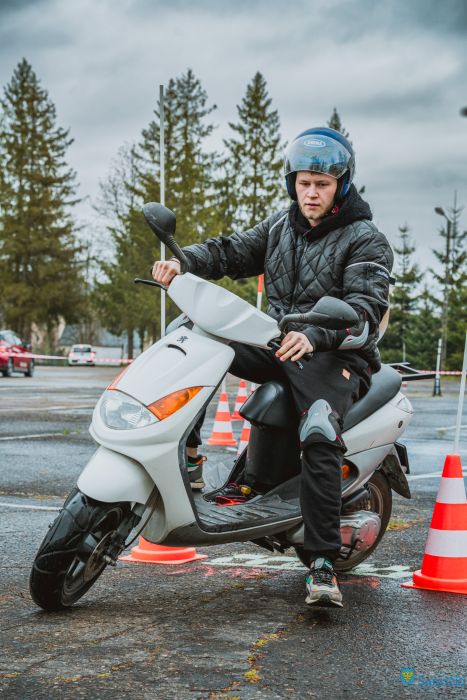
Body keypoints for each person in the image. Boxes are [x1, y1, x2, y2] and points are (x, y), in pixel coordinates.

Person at [152, 127, 393, 608]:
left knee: (320, 427)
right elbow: (229, 251)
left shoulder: (366, 239)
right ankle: (190, 458)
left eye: (322, 184)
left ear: (341, 185)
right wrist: (184, 263)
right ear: (292, 183)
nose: (311, 193)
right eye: (304, 183)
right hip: (280, 342)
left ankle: (322, 563)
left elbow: (366, 310)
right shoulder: (280, 227)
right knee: (195, 337)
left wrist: (317, 334)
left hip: (336, 352)